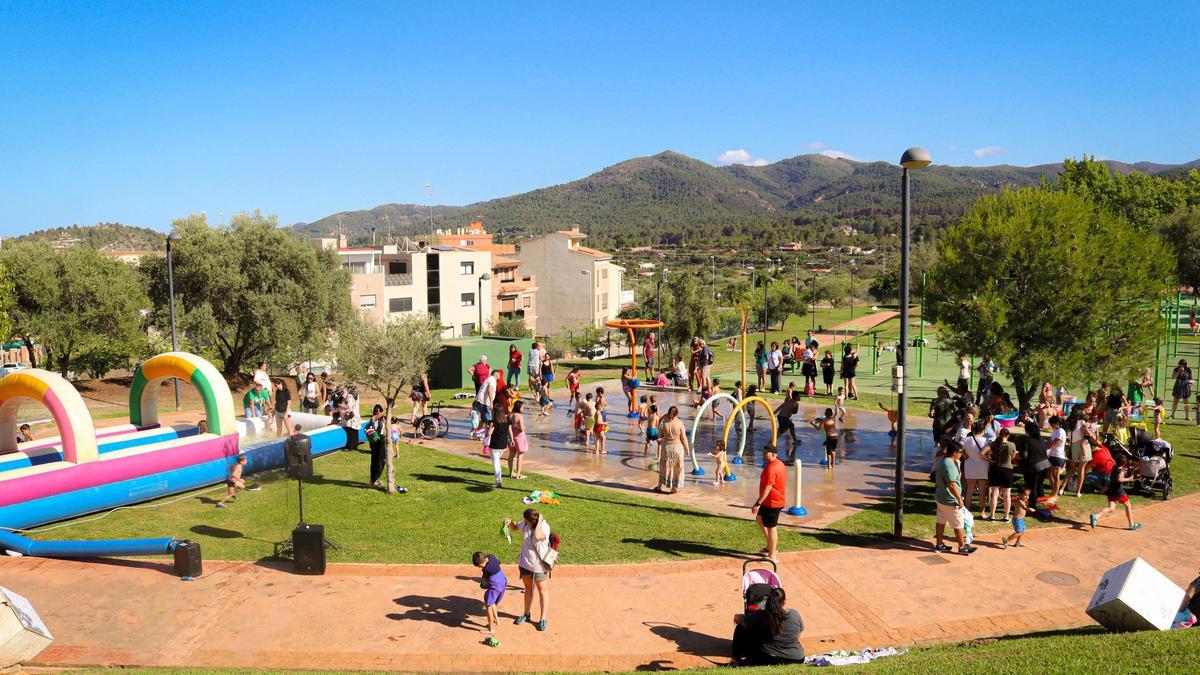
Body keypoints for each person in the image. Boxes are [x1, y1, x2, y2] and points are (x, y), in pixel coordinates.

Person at [504, 508, 552, 632]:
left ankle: (542, 619)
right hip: (525, 564)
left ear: (532, 521)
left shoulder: (544, 527)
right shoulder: (526, 523)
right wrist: (510, 522)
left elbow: (538, 536)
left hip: (539, 566)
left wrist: (540, 521)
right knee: (528, 589)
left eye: (526, 520)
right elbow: (515, 527)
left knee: (542, 591)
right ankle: (526, 614)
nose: (524, 522)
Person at [732, 587, 806, 666]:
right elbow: (800, 630)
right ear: (784, 602)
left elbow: (742, 621)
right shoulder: (794, 614)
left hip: (769, 658)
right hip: (796, 658)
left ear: (769, 601)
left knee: (740, 627)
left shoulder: (762, 615)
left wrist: (740, 616)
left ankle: (737, 657)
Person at [934, 441, 974, 554]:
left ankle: (939, 544)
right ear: (955, 452)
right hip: (950, 500)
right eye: (960, 452)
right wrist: (959, 498)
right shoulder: (949, 464)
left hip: (941, 497)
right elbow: (951, 484)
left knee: (941, 521)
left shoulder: (942, 460)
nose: (961, 454)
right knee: (959, 524)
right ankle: (962, 547)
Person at [751, 445, 787, 563]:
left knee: (772, 528)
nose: (763, 455)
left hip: (773, 502)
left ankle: (772, 556)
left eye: (765, 453)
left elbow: (768, 487)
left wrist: (758, 503)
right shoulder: (779, 463)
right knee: (760, 519)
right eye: (763, 452)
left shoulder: (772, 468)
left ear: (773, 454)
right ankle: (770, 546)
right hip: (769, 501)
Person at [1089, 454, 1141, 531]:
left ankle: (1096, 516)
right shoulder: (1121, 470)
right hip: (1118, 492)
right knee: (1128, 506)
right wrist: (1128, 479)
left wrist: (1124, 471)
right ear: (1124, 462)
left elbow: (1118, 474)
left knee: (1111, 508)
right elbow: (1119, 479)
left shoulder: (1114, 467)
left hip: (1111, 490)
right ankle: (1131, 525)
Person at [472, 551, 507, 648]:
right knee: (492, 603)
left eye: (480, 566)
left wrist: (483, 584)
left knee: (488, 605)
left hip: (495, 586)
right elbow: (498, 562)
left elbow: (485, 580)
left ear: (483, 561)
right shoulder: (492, 557)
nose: (480, 568)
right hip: (502, 580)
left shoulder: (486, 569)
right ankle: (497, 620)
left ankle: (491, 628)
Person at [654, 406, 690, 493]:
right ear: (677, 414)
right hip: (677, 448)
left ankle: (659, 486)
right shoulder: (680, 423)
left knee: (664, 467)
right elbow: (684, 438)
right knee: (677, 468)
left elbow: (659, 436)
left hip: (666, 448)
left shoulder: (664, 423)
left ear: (668, 412)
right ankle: (674, 488)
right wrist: (687, 449)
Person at [961, 420, 991, 517]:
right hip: (983, 466)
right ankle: (982, 512)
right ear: (982, 430)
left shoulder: (966, 440)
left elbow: (959, 449)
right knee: (982, 491)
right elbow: (989, 454)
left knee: (969, 490)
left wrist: (965, 456)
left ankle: (967, 511)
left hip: (970, 465)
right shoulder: (987, 441)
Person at [986, 427, 1016, 521]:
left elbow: (982, 454)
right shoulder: (1012, 445)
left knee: (994, 494)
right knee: (1007, 494)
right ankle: (1006, 516)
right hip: (1007, 469)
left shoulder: (994, 444)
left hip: (995, 469)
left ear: (999, 435)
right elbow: (1013, 457)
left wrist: (991, 460)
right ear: (1008, 436)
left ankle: (992, 516)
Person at [1021, 420, 1050, 505]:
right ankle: (1042, 506)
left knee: (1032, 487)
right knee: (1039, 486)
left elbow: (1024, 455)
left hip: (1034, 466)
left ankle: (1032, 506)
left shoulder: (1027, 440)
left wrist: (1018, 456)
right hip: (1045, 464)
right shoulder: (1041, 440)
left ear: (1027, 430)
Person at [488, 401, 512, 488]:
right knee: (497, 461)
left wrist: (489, 427)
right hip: (503, 445)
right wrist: (512, 440)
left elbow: (489, 433)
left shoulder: (493, 422)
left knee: (496, 463)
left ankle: (498, 481)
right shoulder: (507, 420)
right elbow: (510, 431)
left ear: (495, 412)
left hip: (495, 445)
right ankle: (498, 480)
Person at [365, 404, 387, 487]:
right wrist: (385, 411)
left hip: (382, 442)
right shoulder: (373, 419)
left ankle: (376, 479)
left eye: (379, 410)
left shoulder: (383, 420)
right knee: (376, 461)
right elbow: (376, 417)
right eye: (376, 410)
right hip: (375, 443)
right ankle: (374, 480)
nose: (378, 412)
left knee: (382, 461)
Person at [773, 391, 801, 456]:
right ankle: (770, 443)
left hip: (780, 416)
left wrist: (774, 412)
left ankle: (795, 440)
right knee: (780, 432)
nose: (800, 397)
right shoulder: (796, 403)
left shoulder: (787, 400)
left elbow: (780, 407)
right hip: (785, 418)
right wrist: (793, 410)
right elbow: (795, 412)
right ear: (796, 397)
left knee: (791, 426)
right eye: (799, 396)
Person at [472, 368, 497, 439]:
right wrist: (491, 402)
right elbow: (490, 390)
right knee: (489, 421)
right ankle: (488, 436)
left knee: (483, 419)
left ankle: (475, 433)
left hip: (479, 401)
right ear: (496, 375)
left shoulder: (488, 379)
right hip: (484, 403)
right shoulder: (492, 380)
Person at [1047, 416, 1068, 498]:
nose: (1050, 425)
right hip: (1052, 455)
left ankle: (1055, 493)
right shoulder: (1055, 431)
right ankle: (1054, 491)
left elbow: (1054, 443)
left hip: (1058, 456)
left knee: (1056, 476)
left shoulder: (1061, 432)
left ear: (1057, 423)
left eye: (1051, 423)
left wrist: (1043, 449)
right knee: (1049, 474)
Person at [508, 400, 528, 480]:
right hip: (519, 437)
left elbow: (508, 426)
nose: (523, 408)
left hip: (511, 437)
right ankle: (518, 474)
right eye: (522, 407)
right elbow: (522, 429)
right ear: (519, 407)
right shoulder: (519, 416)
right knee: (520, 456)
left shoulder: (510, 415)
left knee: (511, 455)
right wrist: (524, 427)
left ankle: (511, 473)